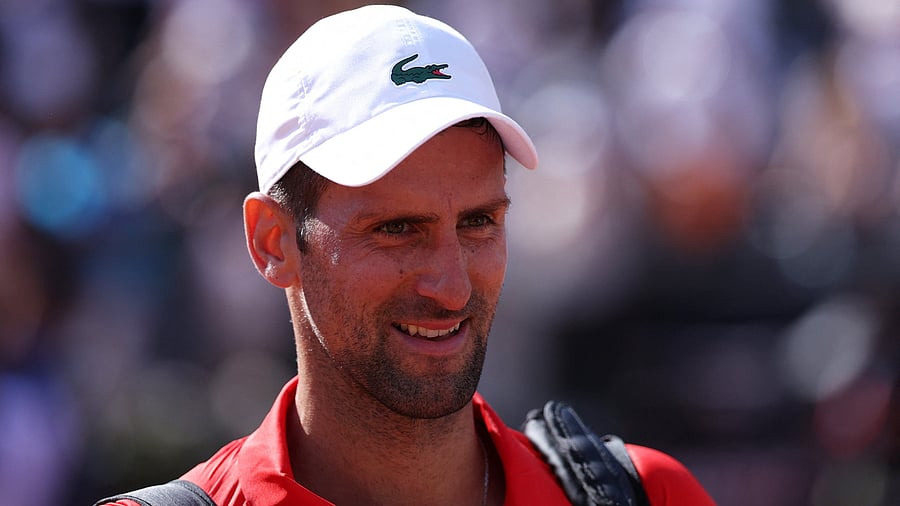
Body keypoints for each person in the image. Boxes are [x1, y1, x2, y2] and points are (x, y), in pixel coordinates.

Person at [98, 5, 715, 505]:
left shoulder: (650, 495)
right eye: (396, 229)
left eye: (478, 222)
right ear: (272, 242)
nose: (451, 285)